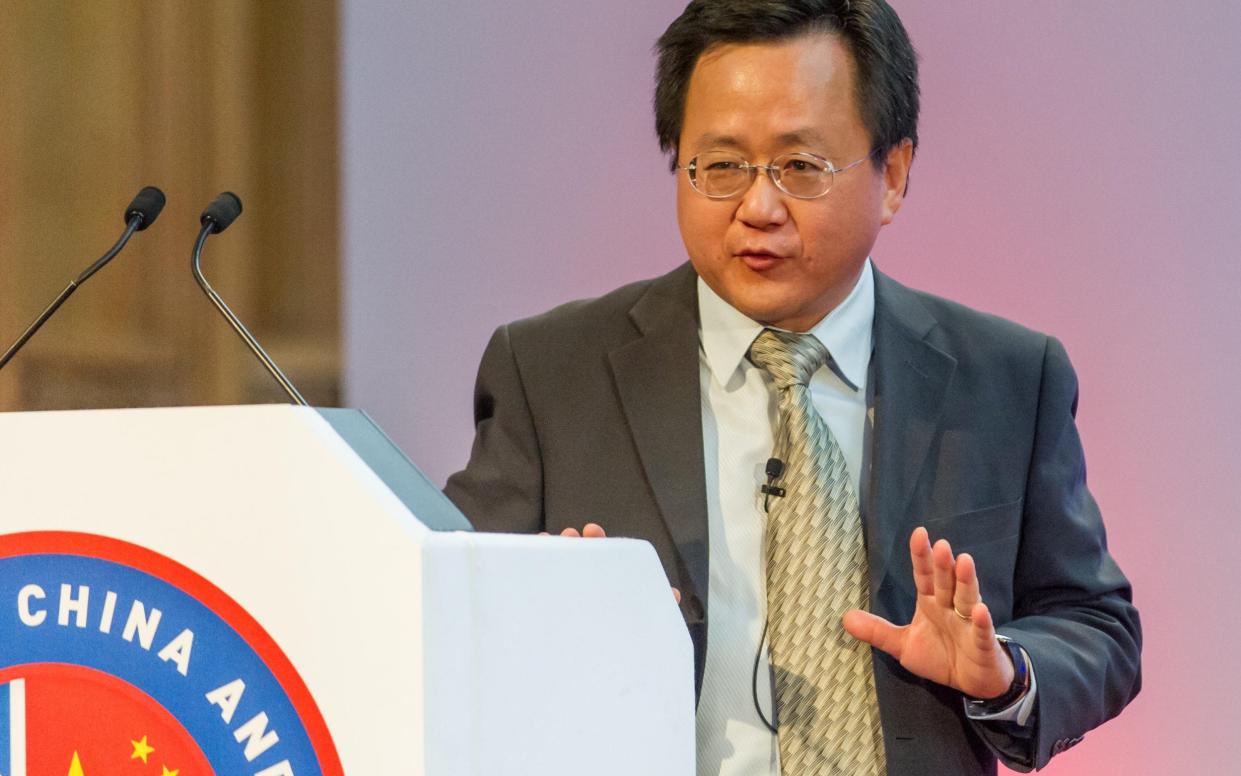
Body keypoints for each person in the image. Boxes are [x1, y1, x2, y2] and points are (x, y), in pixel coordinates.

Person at [444, 1, 1141, 774]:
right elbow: (444, 615)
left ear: (893, 175)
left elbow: (1094, 626)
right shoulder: (549, 373)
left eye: (800, 167)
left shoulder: (1007, 377)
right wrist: (540, 624)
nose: (758, 208)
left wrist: (1004, 671)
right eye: (720, 166)